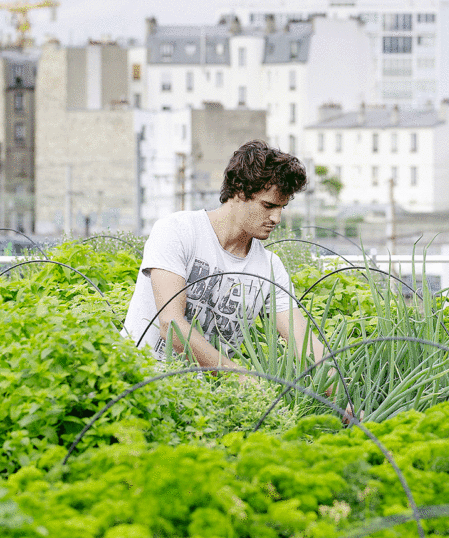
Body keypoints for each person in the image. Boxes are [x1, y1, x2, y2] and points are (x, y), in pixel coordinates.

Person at [122, 140, 325, 378]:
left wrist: (345, 398)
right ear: (240, 190)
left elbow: (303, 343)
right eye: (268, 205)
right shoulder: (178, 231)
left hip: (207, 402)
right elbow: (171, 325)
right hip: (139, 383)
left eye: (282, 207)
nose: (276, 218)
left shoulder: (269, 268)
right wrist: (237, 375)